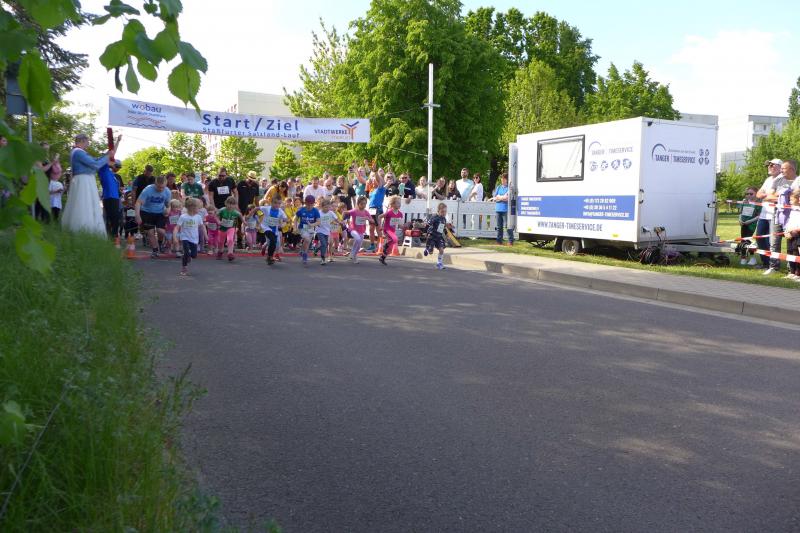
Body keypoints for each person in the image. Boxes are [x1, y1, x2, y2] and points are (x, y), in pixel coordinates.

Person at [61, 133, 115, 235]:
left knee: (87, 204)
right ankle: (83, 229)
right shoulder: (78, 152)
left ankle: (87, 230)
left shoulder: (78, 152)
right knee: (84, 204)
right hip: (83, 180)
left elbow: (95, 160)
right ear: (82, 141)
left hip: (85, 180)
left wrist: (106, 155)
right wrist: (108, 156)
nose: (88, 144)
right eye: (87, 141)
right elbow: (95, 164)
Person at [763, 160, 796, 275]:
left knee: (791, 243)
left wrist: (781, 195)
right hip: (777, 215)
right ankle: (773, 267)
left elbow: (796, 198)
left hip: (792, 216)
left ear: (791, 169)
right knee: (774, 242)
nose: (781, 170)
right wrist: (784, 197)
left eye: (783, 168)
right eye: (781, 168)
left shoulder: (797, 181)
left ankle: (791, 269)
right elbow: (768, 197)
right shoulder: (778, 180)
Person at [754, 159, 783, 269]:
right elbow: (758, 194)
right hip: (764, 214)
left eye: (772, 165)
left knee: (772, 241)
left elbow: (777, 197)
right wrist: (768, 196)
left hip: (774, 215)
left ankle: (773, 265)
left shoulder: (782, 179)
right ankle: (766, 263)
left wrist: (766, 196)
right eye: (769, 165)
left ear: (780, 167)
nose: (769, 167)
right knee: (759, 238)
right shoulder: (768, 179)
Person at [134, 175, 171, 258]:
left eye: (163, 187)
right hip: (147, 212)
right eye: (159, 187)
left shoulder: (167, 191)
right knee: (150, 232)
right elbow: (138, 203)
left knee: (160, 230)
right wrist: (137, 215)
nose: (161, 189)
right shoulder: (148, 190)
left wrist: (168, 210)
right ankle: (155, 250)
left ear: (165, 185)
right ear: (155, 184)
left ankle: (161, 243)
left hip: (160, 213)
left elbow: (168, 204)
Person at [173, 197, 207, 276]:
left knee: (194, 255)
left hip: (194, 239)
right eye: (198, 208)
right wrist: (175, 237)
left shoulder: (198, 217)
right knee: (186, 252)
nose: (199, 209)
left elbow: (202, 227)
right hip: (185, 238)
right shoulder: (183, 217)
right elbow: (177, 228)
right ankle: (184, 268)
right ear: (192, 207)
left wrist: (206, 235)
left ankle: (189, 257)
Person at [255, 195, 288, 265]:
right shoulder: (267, 208)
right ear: (271, 202)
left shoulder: (280, 211)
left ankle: (264, 246)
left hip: (275, 230)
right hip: (266, 228)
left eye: (279, 203)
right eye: (275, 203)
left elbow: (286, 220)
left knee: (275, 244)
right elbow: (256, 208)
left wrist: (283, 224)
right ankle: (269, 257)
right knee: (272, 240)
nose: (277, 205)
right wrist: (249, 215)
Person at [377, 195, 404, 265]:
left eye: (400, 203)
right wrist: (380, 226)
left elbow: (400, 225)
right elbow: (379, 217)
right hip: (387, 230)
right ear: (393, 204)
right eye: (398, 203)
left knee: (391, 247)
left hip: (392, 231)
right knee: (395, 239)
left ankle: (382, 258)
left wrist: (405, 226)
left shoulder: (400, 214)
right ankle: (385, 245)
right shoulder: (389, 212)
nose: (399, 204)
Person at [737, 187, 761, 265]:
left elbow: (759, 215)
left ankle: (752, 258)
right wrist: (740, 219)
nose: (749, 195)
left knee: (748, 240)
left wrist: (750, 221)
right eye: (747, 194)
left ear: (756, 194)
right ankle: (743, 257)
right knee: (743, 240)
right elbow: (740, 212)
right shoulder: (744, 201)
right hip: (743, 224)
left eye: (751, 194)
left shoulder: (759, 203)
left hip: (751, 225)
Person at [295, 195, 321, 266]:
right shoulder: (301, 210)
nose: (309, 206)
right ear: (305, 203)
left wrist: (312, 225)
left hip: (311, 229)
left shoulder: (315, 211)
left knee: (307, 242)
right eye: (308, 204)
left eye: (311, 205)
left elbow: (318, 222)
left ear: (314, 204)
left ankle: (302, 251)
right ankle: (305, 255)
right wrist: (295, 228)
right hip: (302, 228)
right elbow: (295, 219)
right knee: (307, 239)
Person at [424, 202, 450, 270]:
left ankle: (439, 263)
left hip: (439, 237)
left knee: (441, 250)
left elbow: (443, 228)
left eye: (445, 212)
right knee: (431, 252)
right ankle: (427, 248)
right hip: (432, 236)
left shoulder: (444, 219)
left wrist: (446, 234)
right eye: (442, 211)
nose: (444, 213)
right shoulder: (434, 217)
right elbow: (428, 225)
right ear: (438, 211)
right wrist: (425, 232)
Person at [99, 162, 123, 238]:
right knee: (110, 218)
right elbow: (103, 163)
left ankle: (114, 236)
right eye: (117, 166)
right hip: (109, 197)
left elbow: (117, 188)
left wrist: (120, 192)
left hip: (115, 198)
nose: (118, 168)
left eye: (118, 167)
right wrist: (111, 164)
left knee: (116, 218)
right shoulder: (104, 171)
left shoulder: (113, 176)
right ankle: (110, 236)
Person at [217, 196, 244, 261]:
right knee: (221, 242)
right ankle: (220, 252)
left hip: (231, 228)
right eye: (229, 203)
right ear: (226, 203)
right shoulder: (222, 210)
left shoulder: (235, 212)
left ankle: (230, 253)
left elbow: (240, 215)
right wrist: (218, 221)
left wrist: (244, 221)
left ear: (235, 205)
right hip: (222, 228)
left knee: (230, 239)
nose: (230, 206)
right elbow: (216, 215)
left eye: (232, 204)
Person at [346, 196, 370, 263]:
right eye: (361, 204)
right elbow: (345, 212)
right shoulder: (354, 211)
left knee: (358, 244)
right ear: (358, 203)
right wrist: (342, 219)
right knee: (358, 239)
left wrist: (368, 218)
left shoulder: (366, 212)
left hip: (361, 231)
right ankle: (353, 254)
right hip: (353, 229)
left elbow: (372, 220)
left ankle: (353, 255)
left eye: (364, 204)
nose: (363, 205)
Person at [492, 173, 514, 246]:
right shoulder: (498, 187)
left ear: (507, 179)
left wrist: (499, 197)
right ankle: (499, 241)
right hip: (498, 209)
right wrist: (502, 197)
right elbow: (494, 198)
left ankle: (510, 241)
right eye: (501, 178)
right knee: (499, 227)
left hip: (505, 209)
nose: (502, 180)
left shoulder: (508, 188)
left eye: (504, 178)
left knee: (507, 226)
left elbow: (507, 198)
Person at [783, 189, 800, 281]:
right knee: (790, 252)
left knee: (796, 253)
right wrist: (786, 231)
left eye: (791, 199)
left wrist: (794, 230)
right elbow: (789, 221)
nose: (789, 201)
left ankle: (798, 273)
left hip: (797, 235)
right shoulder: (793, 210)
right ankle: (792, 272)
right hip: (790, 234)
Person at [367, 171, 386, 251]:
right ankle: (372, 245)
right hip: (371, 210)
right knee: (371, 229)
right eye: (373, 180)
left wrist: (375, 172)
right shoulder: (372, 190)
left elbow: (379, 180)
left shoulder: (381, 188)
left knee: (378, 228)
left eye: (375, 180)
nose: (373, 181)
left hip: (377, 210)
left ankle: (380, 246)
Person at [317, 198, 338, 264]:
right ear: (322, 207)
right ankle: (323, 258)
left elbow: (336, 218)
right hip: (320, 231)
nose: (327, 209)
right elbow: (315, 220)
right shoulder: (319, 213)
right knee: (324, 244)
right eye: (326, 207)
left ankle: (317, 249)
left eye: (328, 207)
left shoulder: (330, 212)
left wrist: (340, 222)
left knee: (325, 244)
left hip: (327, 231)